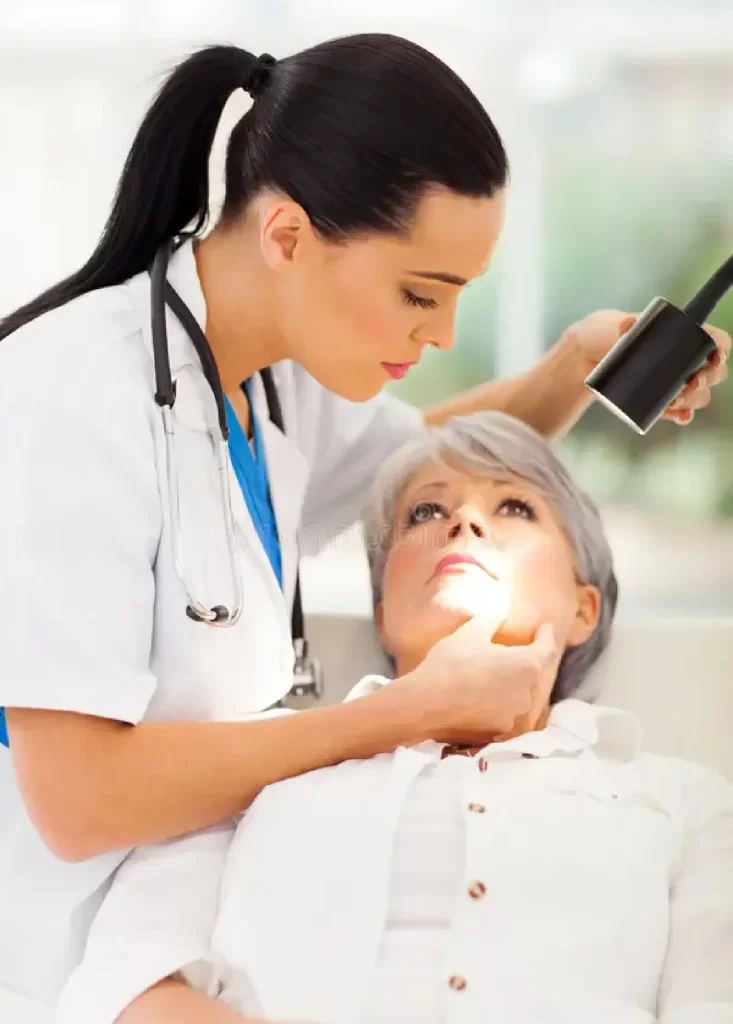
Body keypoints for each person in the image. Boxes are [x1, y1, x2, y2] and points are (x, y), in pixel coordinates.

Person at [0, 32, 728, 1019]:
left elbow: (430, 466)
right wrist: (400, 713)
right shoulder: (74, 394)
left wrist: (572, 365)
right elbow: (79, 797)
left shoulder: (279, 378)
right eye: (418, 294)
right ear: (288, 235)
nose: (439, 335)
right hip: (60, 954)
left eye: (458, 296)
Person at [54, 411, 733, 1024]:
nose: (462, 523)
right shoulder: (253, 768)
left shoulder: (688, 806)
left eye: (515, 507)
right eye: (424, 513)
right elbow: (125, 987)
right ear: (382, 608)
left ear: (583, 608)